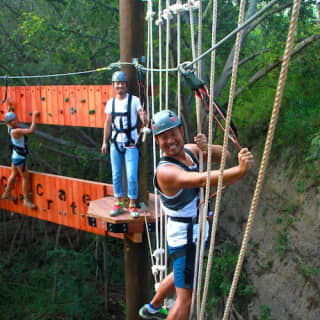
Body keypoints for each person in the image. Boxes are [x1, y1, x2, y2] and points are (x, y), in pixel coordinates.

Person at [139, 109, 254, 320]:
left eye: (173, 133)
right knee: (186, 299)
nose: (170, 140)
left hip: (193, 230)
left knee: (180, 272)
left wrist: (207, 147)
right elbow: (201, 180)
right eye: (164, 137)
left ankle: (153, 307)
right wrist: (239, 171)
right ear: (157, 141)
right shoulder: (165, 172)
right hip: (185, 237)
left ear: (181, 131)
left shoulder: (191, 151)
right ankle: (156, 308)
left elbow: (224, 155)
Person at [101, 71, 146, 218]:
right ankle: (119, 203)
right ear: (113, 86)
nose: (120, 85)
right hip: (115, 142)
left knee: (131, 175)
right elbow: (108, 123)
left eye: (122, 83)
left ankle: (132, 204)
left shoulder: (134, 100)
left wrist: (144, 117)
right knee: (116, 174)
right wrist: (104, 142)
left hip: (131, 143)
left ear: (126, 85)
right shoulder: (110, 103)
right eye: (117, 83)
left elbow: (141, 113)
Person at [1, 111, 40, 209]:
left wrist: (10, 105)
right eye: (14, 120)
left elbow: (7, 116)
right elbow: (31, 130)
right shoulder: (16, 131)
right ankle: (26, 200)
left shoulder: (10, 128)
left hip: (15, 156)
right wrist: (35, 117)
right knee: (26, 178)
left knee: (14, 174)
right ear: (10, 123)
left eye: (16, 118)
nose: (17, 121)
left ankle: (7, 192)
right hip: (19, 158)